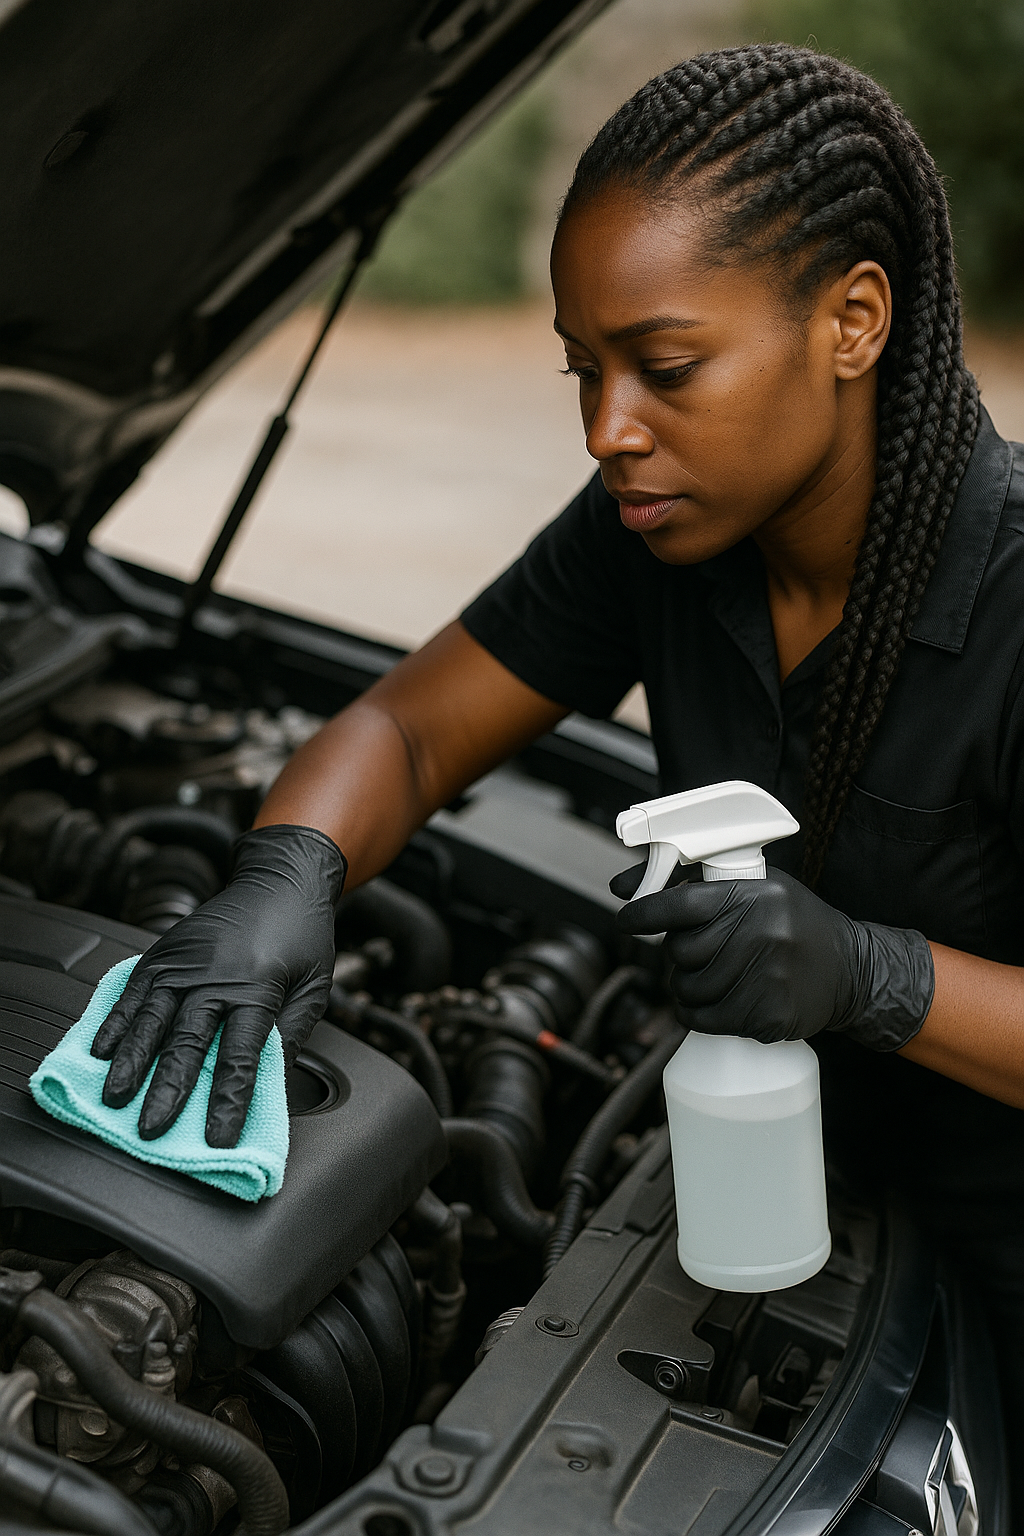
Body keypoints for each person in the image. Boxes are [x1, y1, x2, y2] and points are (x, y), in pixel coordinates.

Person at [93, 45, 1024, 1494]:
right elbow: (407, 728)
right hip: (782, 1212)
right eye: (582, 372)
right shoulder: (657, 531)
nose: (608, 432)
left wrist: (875, 976)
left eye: (665, 368)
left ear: (852, 320)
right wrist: (284, 874)